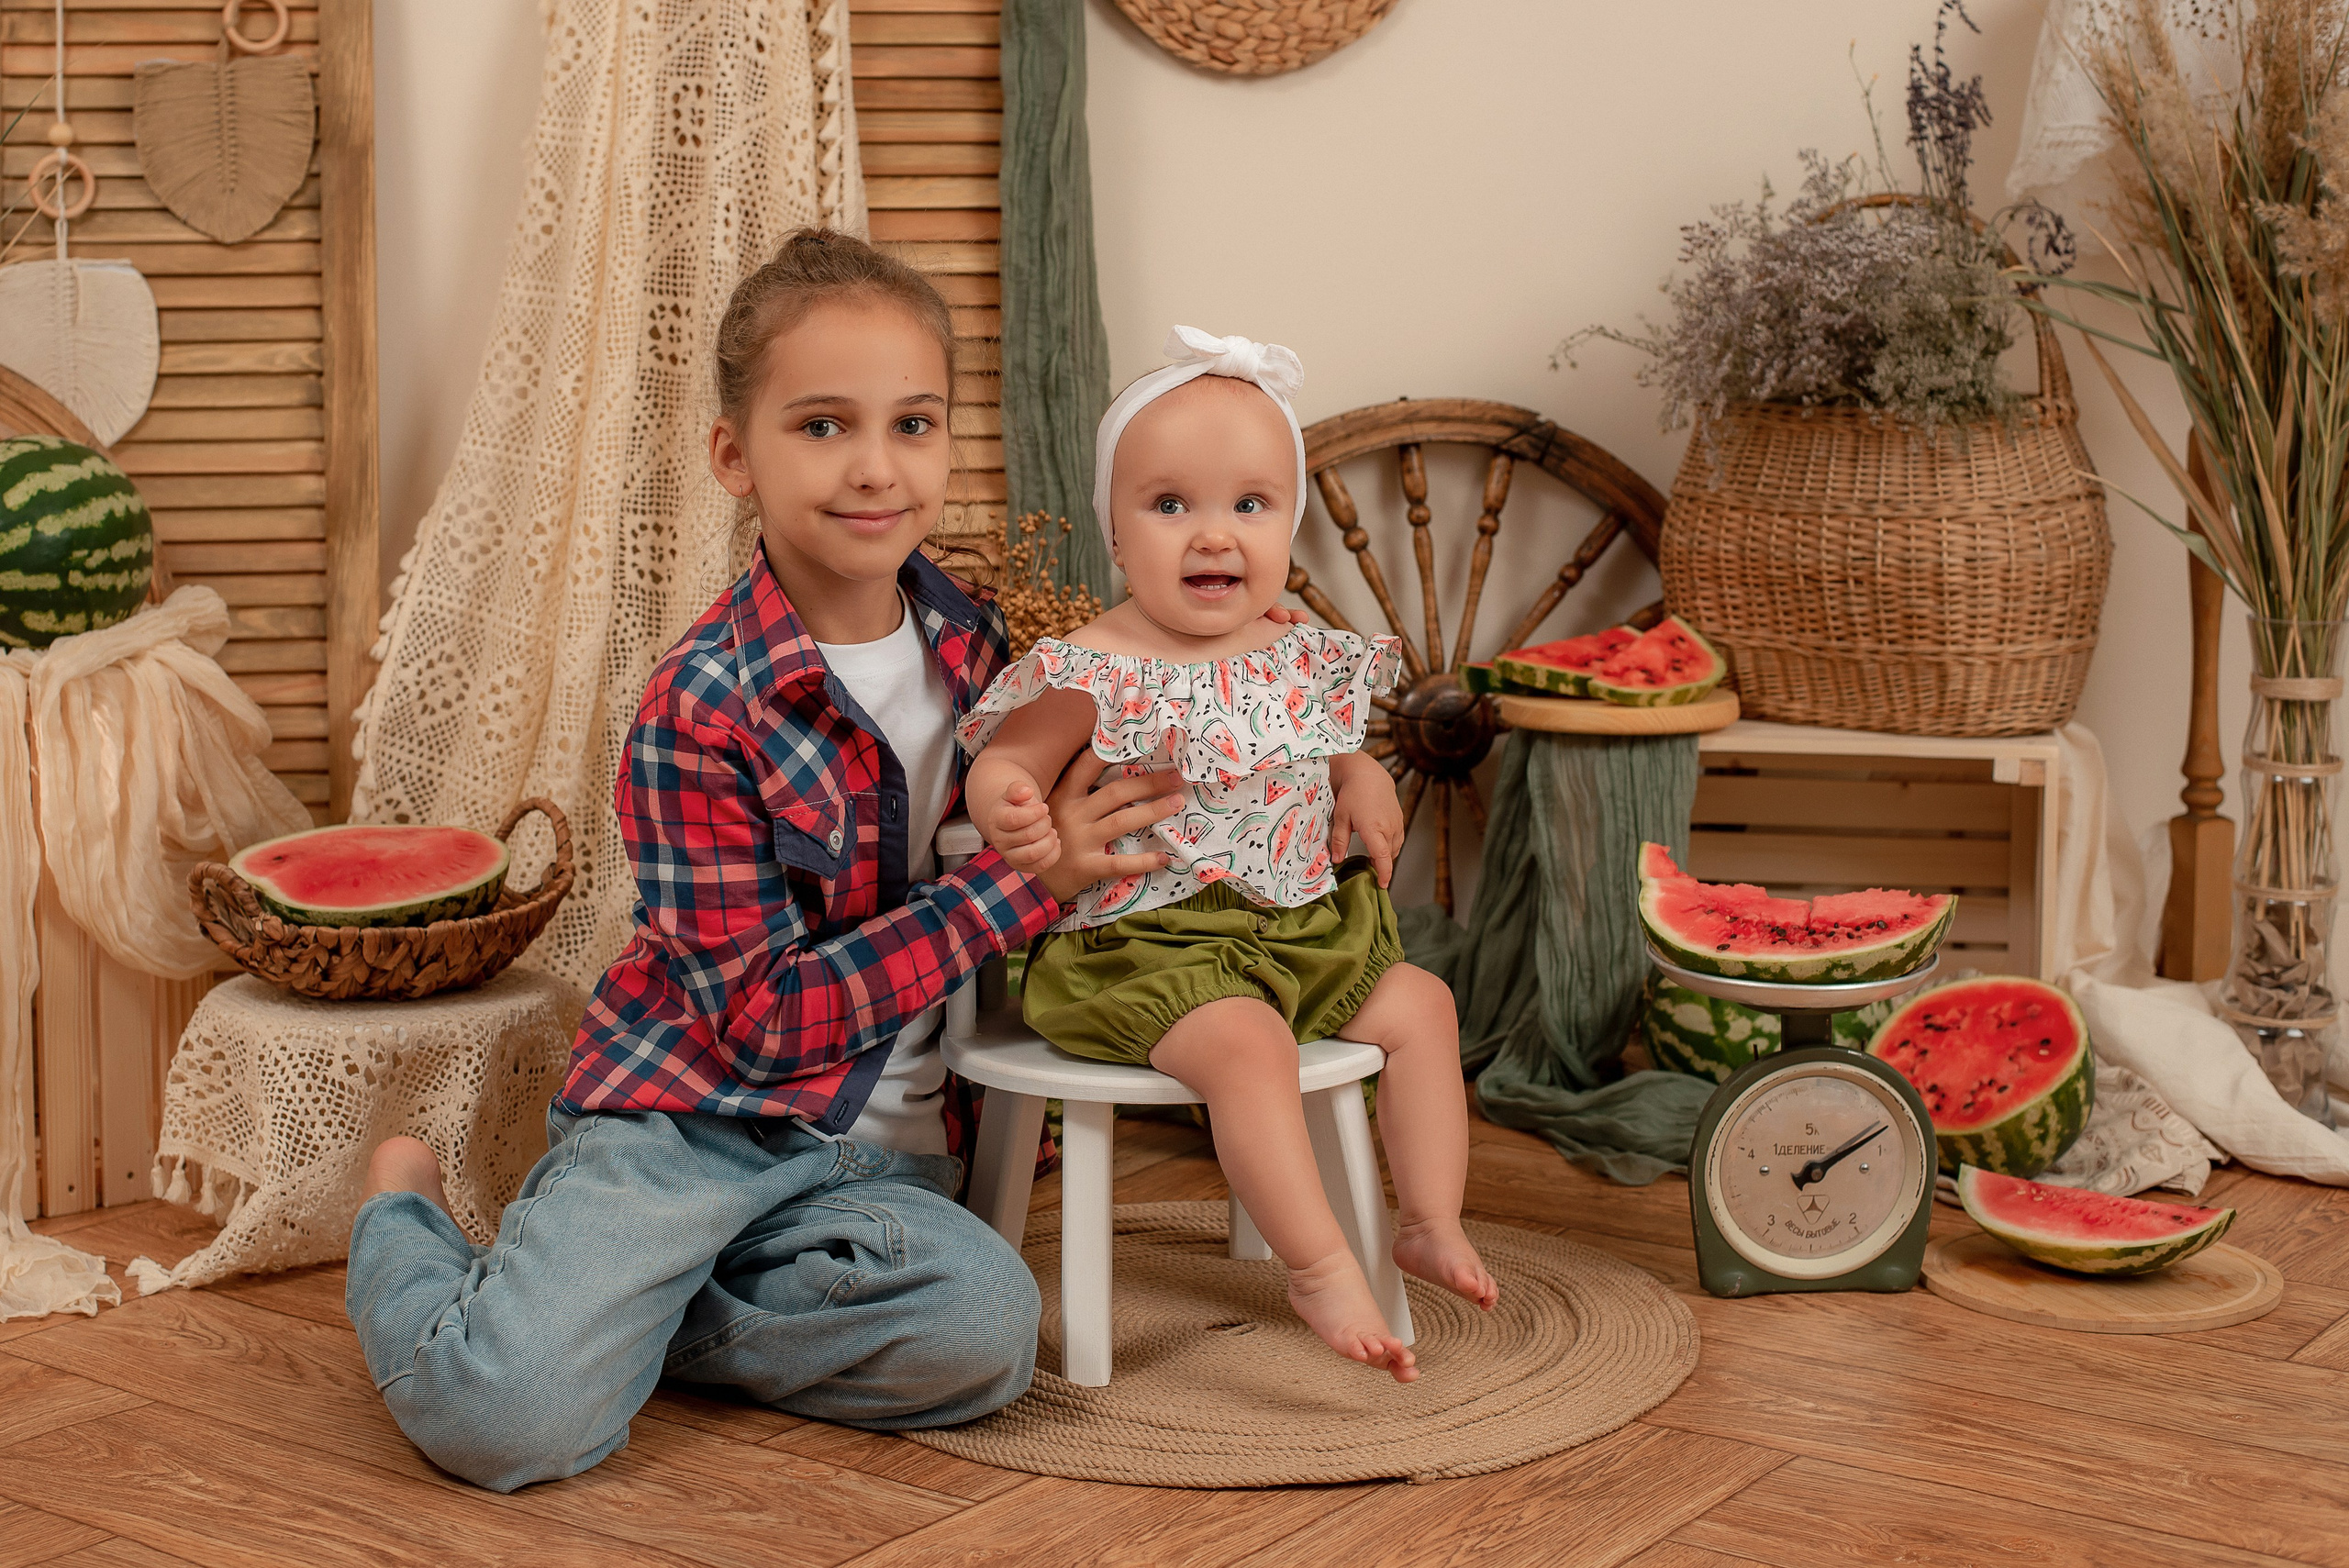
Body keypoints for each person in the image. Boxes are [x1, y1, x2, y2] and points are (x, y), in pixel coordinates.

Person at [344, 230, 1200, 1492]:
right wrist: (1021, 887)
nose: (874, 467)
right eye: (821, 426)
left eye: (914, 423)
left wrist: (1292, 736)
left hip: (885, 1155)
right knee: (507, 1424)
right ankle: (410, 1214)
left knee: (983, 1340)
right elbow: (760, 1023)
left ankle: (624, 1312)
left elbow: (1119, 772)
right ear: (734, 456)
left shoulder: (982, 647)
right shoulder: (701, 707)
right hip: (695, 1122)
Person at [959, 327, 1499, 1385]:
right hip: (1143, 951)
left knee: (1422, 1005)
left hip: (1299, 928)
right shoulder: (1095, 665)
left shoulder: (1297, 649)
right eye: (1170, 505)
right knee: (1250, 1044)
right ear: (1115, 534)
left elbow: (1329, 741)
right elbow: (1004, 759)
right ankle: (1317, 1261)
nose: (1213, 536)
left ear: (1288, 528)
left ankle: (1429, 1217)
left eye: (1248, 504)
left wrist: (1362, 775)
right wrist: (1009, 803)